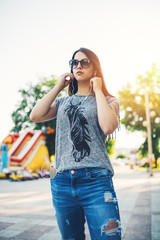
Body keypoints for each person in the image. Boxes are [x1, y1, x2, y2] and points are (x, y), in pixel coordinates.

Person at [30, 47, 121, 240]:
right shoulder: (63, 102)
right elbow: (35, 115)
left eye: (85, 62)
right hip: (62, 181)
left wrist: (97, 89)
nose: (78, 65)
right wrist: (58, 86)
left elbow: (108, 127)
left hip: (96, 181)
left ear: (95, 68)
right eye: (74, 62)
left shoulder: (108, 100)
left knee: (109, 237)